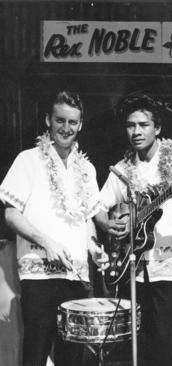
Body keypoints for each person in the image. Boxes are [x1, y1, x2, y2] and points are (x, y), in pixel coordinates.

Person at [0, 90, 108, 366]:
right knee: (36, 353)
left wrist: (95, 249)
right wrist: (46, 241)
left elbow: (86, 222)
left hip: (77, 277)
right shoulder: (28, 160)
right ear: (48, 120)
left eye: (73, 122)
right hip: (40, 277)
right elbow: (11, 215)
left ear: (81, 124)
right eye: (60, 120)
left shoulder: (87, 169)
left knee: (72, 356)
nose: (66, 128)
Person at [94, 96, 172, 366]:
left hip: (171, 270)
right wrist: (108, 224)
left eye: (144, 124)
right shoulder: (121, 170)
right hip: (132, 269)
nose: (137, 131)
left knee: (167, 345)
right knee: (138, 346)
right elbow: (95, 206)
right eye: (131, 125)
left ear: (158, 128)